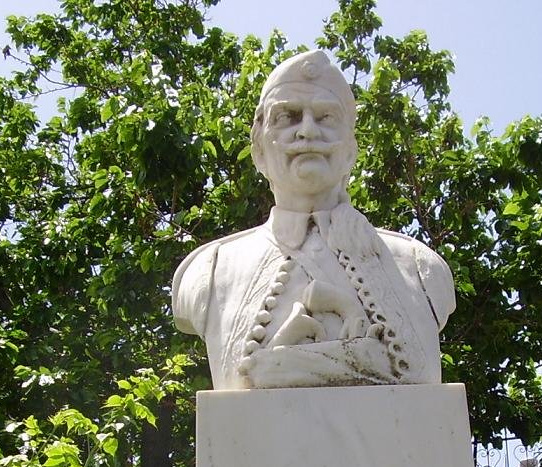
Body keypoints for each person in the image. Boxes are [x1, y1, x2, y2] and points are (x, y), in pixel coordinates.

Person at [172, 50, 455, 389]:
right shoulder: (210, 269)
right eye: (287, 117)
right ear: (259, 150)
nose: (307, 131)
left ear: (350, 150)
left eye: (326, 117)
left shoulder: (420, 267)